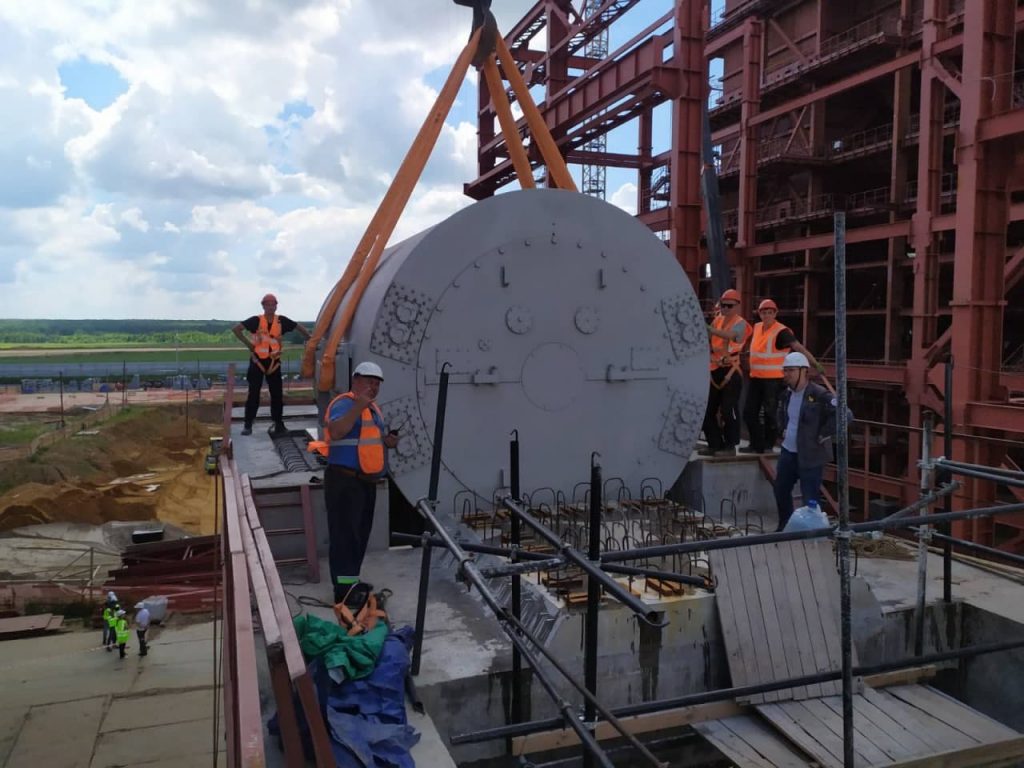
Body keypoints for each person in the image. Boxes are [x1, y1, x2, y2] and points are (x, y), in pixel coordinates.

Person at [323, 361, 399, 606]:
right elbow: (336, 432)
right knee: (345, 536)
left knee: (358, 536)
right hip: (344, 480)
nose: (373, 387)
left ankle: (351, 582)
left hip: (365, 482)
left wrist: (387, 441)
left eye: (377, 384)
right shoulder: (344, 403)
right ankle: (343, 592)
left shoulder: (373, 409)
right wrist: (358, 406)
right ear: (356, 380)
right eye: (369, 382)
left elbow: (366, 441)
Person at [742, 298, 822, 454]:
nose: (767, 315)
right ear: (759, 314)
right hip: (756, 377)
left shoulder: (781, 331)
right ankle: (756, 444)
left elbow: (798, 347)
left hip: (774, 380)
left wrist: (814, 363)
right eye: (764, 313)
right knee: (749, 412)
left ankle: (768, 445)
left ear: (775, 313)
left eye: (770, 312)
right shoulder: (757, 328)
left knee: (770, 413)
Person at [773, 352, 837, 531]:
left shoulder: (819, 394)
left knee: (810, 498)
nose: (786, 374)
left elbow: (844, 414)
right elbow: (781, 413)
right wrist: (782, 428)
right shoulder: (786, 395)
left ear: (804, 371)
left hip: (810, 455)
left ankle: (811, 534)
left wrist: (823, 434)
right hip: (788, 452)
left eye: (791, 370)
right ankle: (785, 527)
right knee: (780, 489)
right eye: (785, 370)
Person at [233, 294, 311, 436]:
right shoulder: (256, 320)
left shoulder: (281, 321)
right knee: (253, 394)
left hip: (273, 363)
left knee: (277, 395)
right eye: (267, 304)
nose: (270, 307)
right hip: (257, 362)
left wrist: (310, 339)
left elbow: (298, 327)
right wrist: (249, 345)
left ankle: (278, 424)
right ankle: (248, 424)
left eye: (272, 304)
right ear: (263, 306)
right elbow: (236, 329)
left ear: (276, 306)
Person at [700, 289, 752, 457]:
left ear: (737, 306)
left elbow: (731, 335)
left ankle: (730, 446)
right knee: (707, 411)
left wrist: (708, 328)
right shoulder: (717, 321)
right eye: (723, 305)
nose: (725, 308)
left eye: (729, 306)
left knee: (728, 410)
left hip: (731, 371)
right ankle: (714, 444)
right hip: (715, 370)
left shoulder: (741, 324)